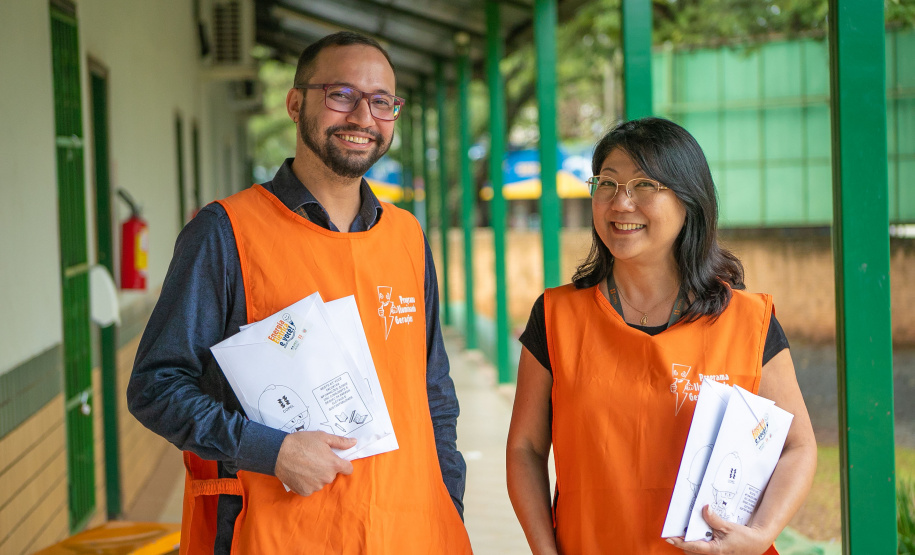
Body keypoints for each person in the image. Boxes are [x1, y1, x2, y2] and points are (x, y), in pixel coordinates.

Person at [127, 32, 472, 554]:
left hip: (412, 531)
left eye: (382, 102)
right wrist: (272, 450)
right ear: (295, 103)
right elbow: (156, 386)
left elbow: (434, 392)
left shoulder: (407, 237)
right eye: (341, 94)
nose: (363, 116)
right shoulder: (225, 233)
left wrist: (450, 505)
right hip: (277, 535)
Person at [505, 117, 817, 554]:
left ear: (689, 199)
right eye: (607, 183)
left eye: (645, 185)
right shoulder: (556, 316)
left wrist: (761, 533)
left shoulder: (749, 321)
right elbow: (525, 448)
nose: (621, 202)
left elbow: (798, 447)